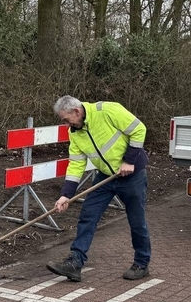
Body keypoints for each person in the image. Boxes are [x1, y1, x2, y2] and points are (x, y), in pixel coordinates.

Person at [48, 95, 151, 282]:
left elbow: (139, 129)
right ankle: (75, 262)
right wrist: (66, 195)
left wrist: (129, 161)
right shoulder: (75, 132)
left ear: (77, 112)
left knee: (137, 221)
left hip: (132, 175)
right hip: (105, 177)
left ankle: (141, 263)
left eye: (66, 119)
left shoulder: (108, 110)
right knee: (88, 215)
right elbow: (76, 165)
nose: (66, 125)